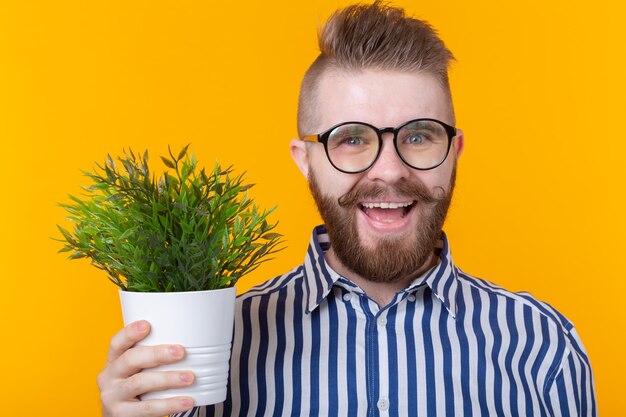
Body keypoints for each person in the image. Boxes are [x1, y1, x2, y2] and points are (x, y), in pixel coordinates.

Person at [96, 2, 597, 416]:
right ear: (306, 160)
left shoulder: (544, 349)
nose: (388, 170)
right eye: (352, 139)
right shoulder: (208, 353)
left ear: (455, 151)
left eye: (419, 135)